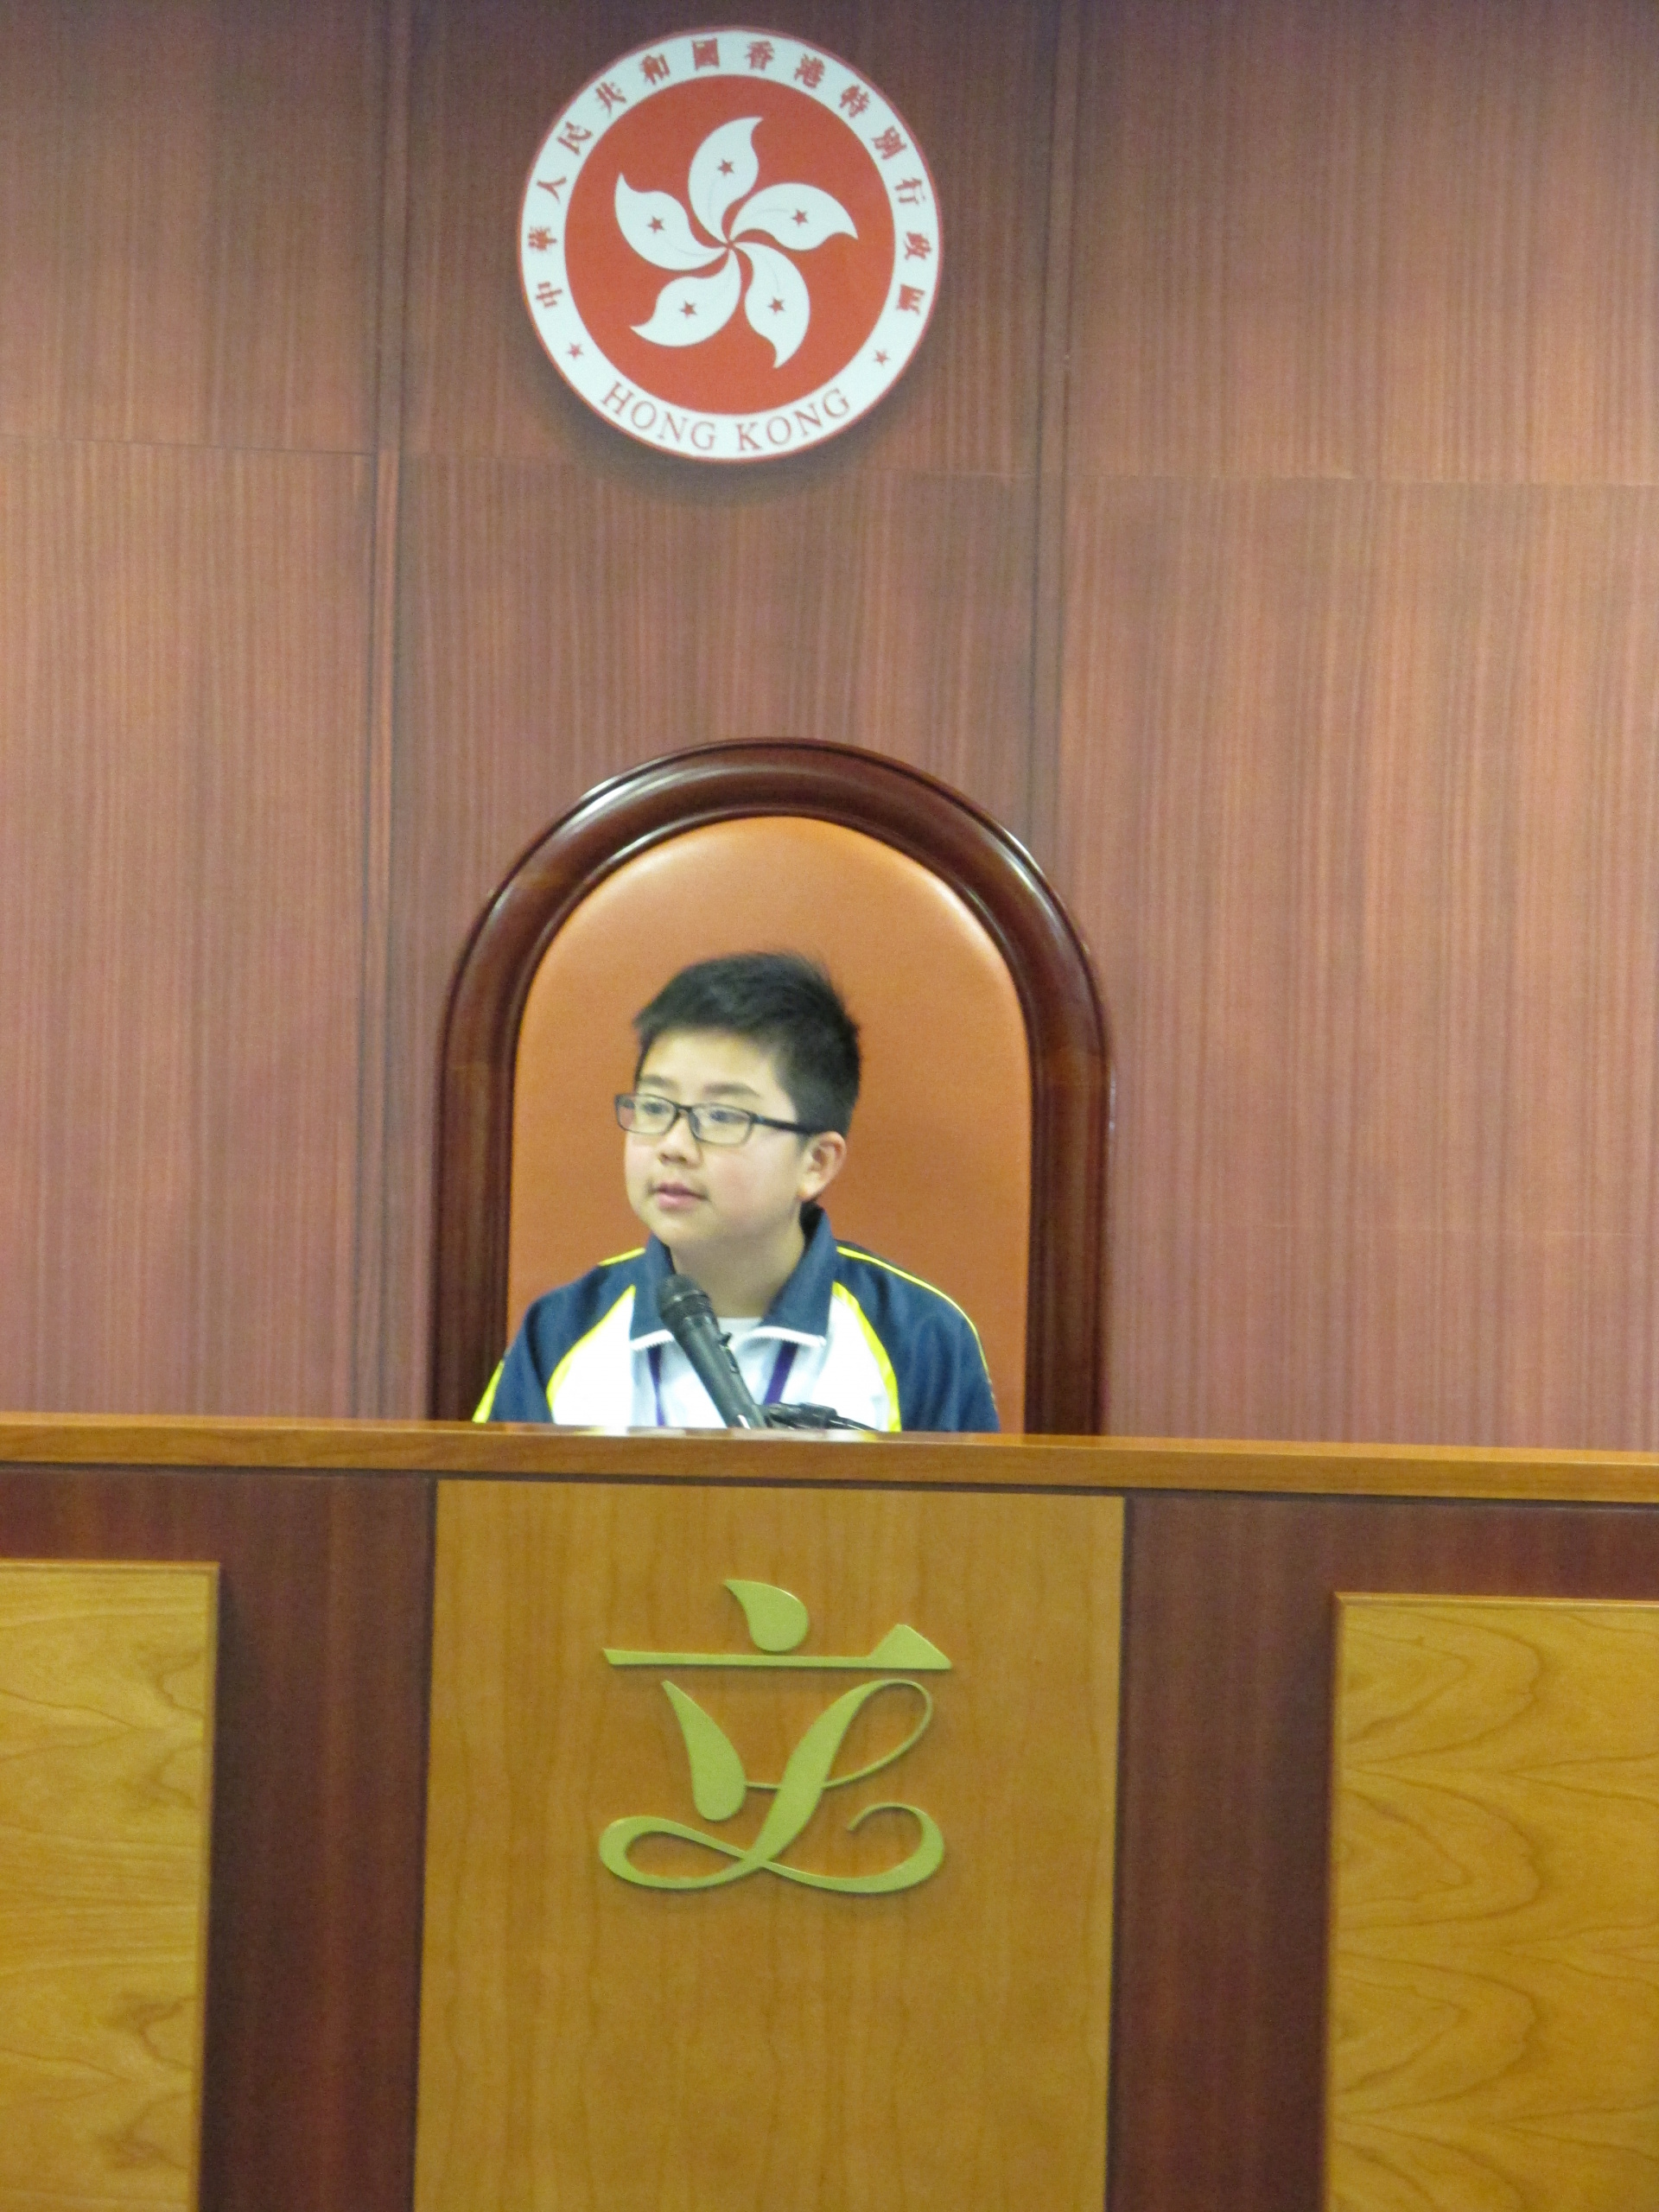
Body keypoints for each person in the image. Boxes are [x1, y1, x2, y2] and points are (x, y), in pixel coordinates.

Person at [474, 951, 998, 1431]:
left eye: (721, 1116)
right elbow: (482, 1502)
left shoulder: (920, 1339)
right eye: (654, 1107)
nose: (674, 1146)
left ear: (815, 1163)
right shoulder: (561, 1332)